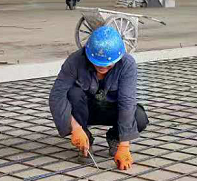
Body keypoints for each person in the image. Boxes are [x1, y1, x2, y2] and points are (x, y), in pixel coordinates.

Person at [49, 25, 148, 170]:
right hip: (84, 110)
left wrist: (124, 145)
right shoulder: (75, 60)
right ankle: (85, 141)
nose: (103, 68)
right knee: (73, 93)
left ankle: (115, 137)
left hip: (111, 110)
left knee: (139, 116)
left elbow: (127, 102)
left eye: (108, 65)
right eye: (97, 63)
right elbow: (57, 96)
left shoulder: (127, 64)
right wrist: (75, 127)